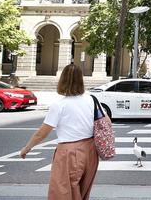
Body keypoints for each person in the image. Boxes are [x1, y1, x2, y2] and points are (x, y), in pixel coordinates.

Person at [20, 64, 99, 200]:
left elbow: (42, 132)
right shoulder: (92, 99)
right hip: (91, 150)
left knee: (63, 193)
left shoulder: (60, 105)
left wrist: (27, 148)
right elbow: (106, 121)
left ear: (62, 80)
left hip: (69, 152)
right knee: (82, 192)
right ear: (81, 80)